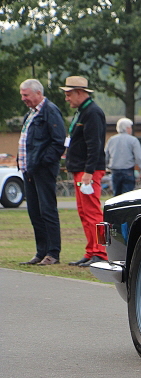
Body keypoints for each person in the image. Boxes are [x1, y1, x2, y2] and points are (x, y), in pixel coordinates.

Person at [17, 79, 66, 266]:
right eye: (22, 95)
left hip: (43, 170)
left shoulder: (50, 111)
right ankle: (41, 251)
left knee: (47, 210)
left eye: (26, 95)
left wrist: (43, 162)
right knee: (34, 212)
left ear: (38, 93)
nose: (23, 99)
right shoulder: (30, 113)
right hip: (29, 170)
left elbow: (58, 142)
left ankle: (53, 252)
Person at [61, 75, 108, 266]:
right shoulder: (82, 111)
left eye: (69, 94)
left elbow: (94, 144)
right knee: (83, 212)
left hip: (89, 171)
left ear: (80, 93)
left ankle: (102, 251)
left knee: (94, 213)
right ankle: (91, 251)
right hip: (80, 169)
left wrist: (89, 171)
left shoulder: (92, 113)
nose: (66, 98)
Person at [105, 117, 141, 196]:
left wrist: (105, 166)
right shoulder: (133, 140)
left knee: (116, 194)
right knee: (127, 195)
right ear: (127, 128)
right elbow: (139, 157)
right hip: (128, 170)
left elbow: (106, 155)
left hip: (115, 171)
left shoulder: (111, 140)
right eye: (130, 127)